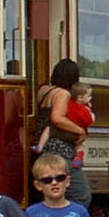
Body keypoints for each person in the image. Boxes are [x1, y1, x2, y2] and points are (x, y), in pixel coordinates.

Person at [34, 60, 91, 208]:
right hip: (60, 149)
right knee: (82, 195)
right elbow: (57, 118)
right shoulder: (63, 93)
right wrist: (79, 131)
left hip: (44, 147)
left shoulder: (44, 90)